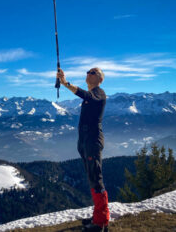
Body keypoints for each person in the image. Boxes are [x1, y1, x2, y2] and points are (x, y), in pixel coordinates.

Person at [56, 67, 109, 232]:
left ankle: (100, 223)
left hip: (92, 141)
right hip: (86, 142)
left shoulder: (99, 93)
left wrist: (65, 83)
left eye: (92, 72)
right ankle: (97, 217)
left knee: (96, 179)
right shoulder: (91, 96)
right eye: (88, 71)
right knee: (92, 178)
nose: (88, 73)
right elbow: (86, 97)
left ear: (99, 78)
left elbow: (86, 95)